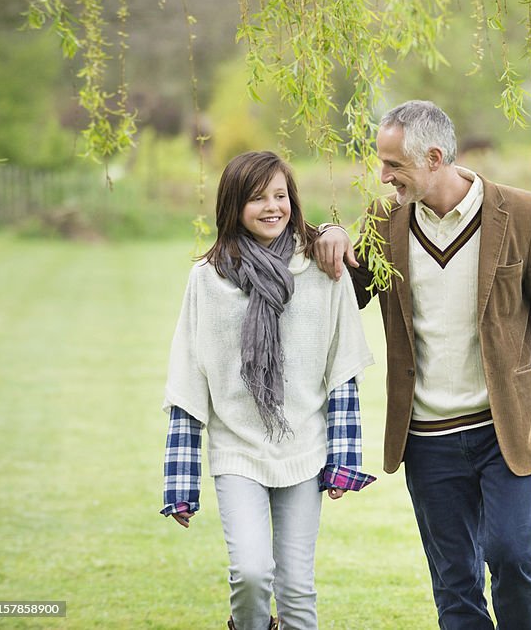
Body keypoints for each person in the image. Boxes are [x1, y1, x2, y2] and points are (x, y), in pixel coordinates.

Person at [315, 101, 531, 629]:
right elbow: (348, 290)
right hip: (425, 436)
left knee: (514, 554)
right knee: (454, 580)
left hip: (504, 427)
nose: (383, 177)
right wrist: (328, 235)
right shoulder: (384, 222)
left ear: (433, 156)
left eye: (394, 165)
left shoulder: (523, 214)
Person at [159, 151, 375, 630]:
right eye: (257, 198)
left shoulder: (323, 269)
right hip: (237, 449)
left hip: (304, 448)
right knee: (252, 573)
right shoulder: (207, 279)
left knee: (297, 587)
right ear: (233, 205)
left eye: (280, 195)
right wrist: (180, 482)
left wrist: (344, 460)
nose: (271, 207)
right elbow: (188, 376)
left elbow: (342, 368)